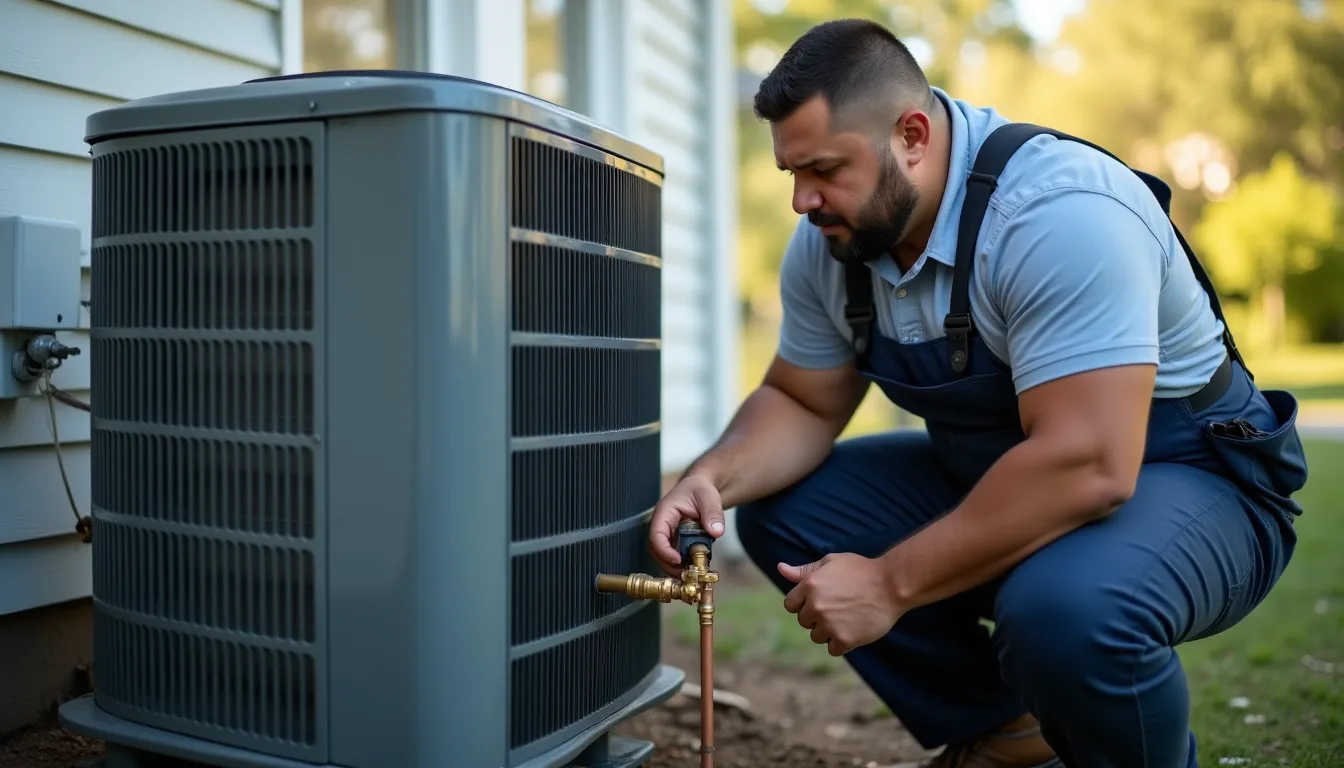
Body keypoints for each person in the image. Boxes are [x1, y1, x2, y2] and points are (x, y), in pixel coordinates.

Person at [647, 17, 1310, 768]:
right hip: (1014, 473)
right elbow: (803, 401)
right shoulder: (835, 245)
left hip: (1191, 482)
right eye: (791, 173)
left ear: (913, 136)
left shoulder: (1057, 213)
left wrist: (888, 584)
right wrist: (711, 478)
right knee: (790, 511)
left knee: (1066, 610)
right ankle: (1011, 733)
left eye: (825, 169)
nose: (803, 201)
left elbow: (1090, 463)